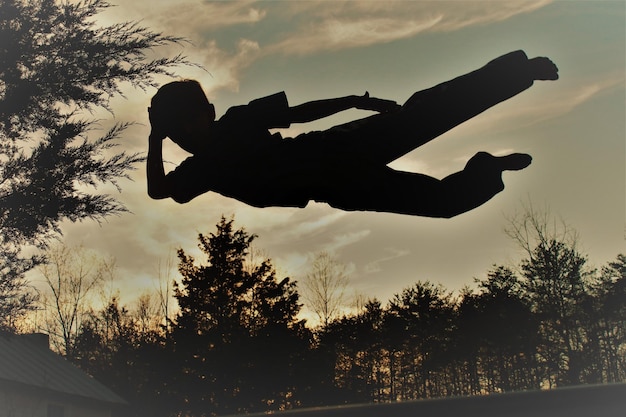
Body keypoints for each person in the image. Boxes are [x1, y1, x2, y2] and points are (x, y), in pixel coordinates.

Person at [147, 50, 558, 218]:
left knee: (428, 113)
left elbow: (300, 114)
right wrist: (154, 138)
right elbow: (159, 191)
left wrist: (352, 101)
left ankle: (520, 71)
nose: (184, 135)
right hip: (340, 187)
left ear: (209, 113)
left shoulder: (235, 121)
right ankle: (487, 169)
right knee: (444, 203)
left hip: (337, 148)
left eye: (189, 122)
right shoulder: (199, 171)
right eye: (176, 131)